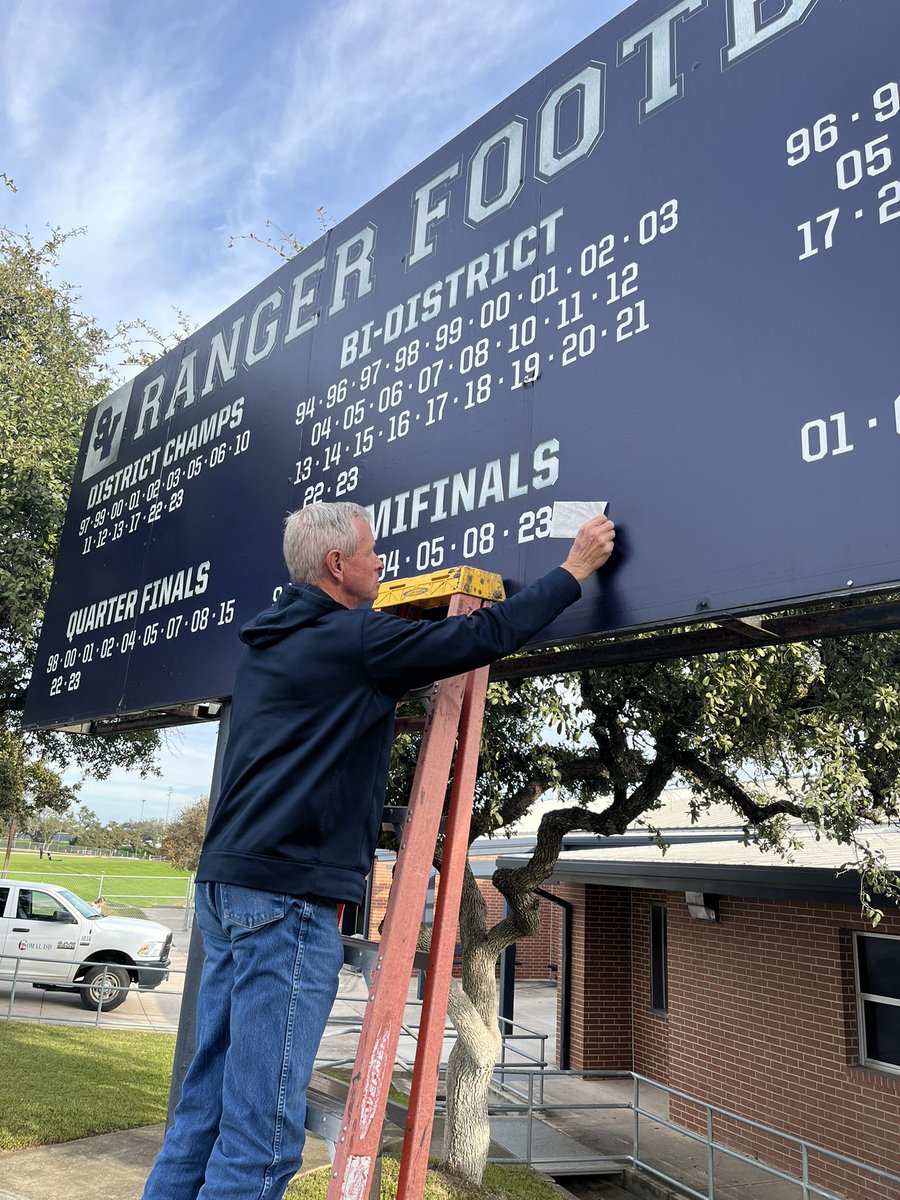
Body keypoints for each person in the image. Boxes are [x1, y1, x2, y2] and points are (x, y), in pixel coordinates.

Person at [143, 500, 616, 1200]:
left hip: (225, 889)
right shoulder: (354, 641)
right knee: (260, 1141)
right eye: (371, 552)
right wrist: (573, 569)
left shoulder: (268, 644)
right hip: (287, 901)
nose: (383, 562)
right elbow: (482, 634)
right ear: (338, 565)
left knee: (203, 1111)